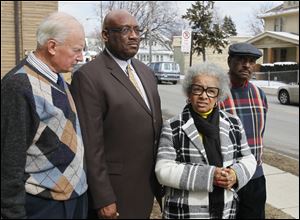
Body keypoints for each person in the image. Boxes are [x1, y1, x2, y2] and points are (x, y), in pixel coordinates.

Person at [70, 9, 163, 219]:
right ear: (105, 35)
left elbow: (155, 124)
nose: (134, 36)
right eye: (124, 30)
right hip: (115, 191)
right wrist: (103, 197)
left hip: (145, 186)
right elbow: (91, 144)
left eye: (137, 30)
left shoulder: (146, 72)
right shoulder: (88, 76)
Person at [1, 12, 88, 219]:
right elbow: (9, 160)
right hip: (43, 205)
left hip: (74, 199)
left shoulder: (58, 80)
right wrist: (13, 213)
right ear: (51, 47)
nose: (81, 57)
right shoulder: (18, 86)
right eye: (76, 50)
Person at [155, 62, 257, 219]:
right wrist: (210, 176)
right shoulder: (173, 126)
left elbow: (248, 158)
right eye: (197, 89)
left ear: (218, 95)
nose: (204, 95)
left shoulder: (233, 123)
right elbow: (163, 170)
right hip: (184, 213)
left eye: (211, 91)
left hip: (225, 212)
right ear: (189, 93)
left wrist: (235, 174)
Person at [218, 42, 268, 218]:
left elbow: (259, 135)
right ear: (229, 61)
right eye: (241, 60)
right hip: (224, 179)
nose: (247, 65)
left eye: (252, 61)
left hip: (255, 178)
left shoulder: (259, 94)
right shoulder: (214, 93)